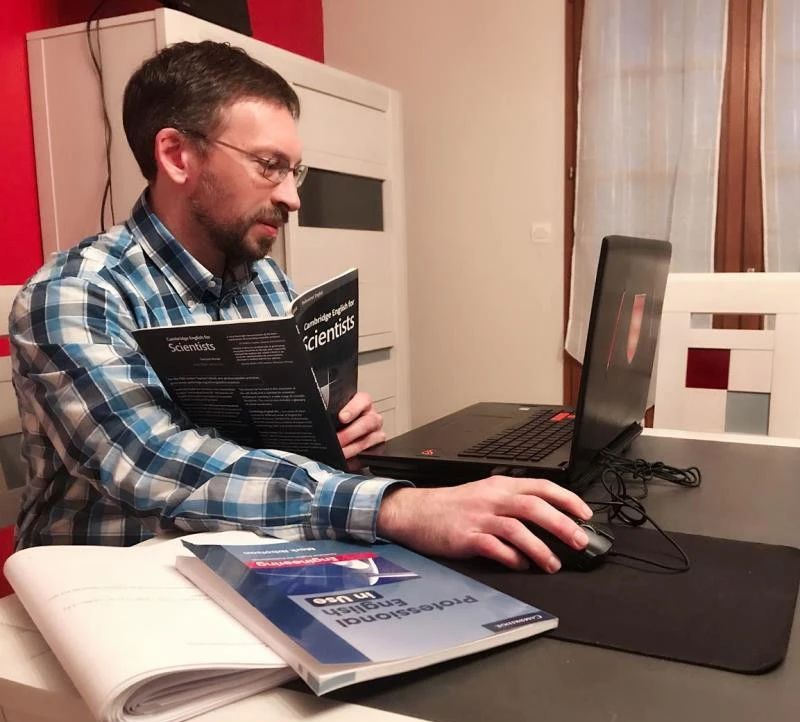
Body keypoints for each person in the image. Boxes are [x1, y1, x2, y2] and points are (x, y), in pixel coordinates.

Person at [10, 40, 592, 572]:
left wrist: (337, 435)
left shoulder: (265, 282)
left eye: (295, 171)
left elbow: (286, 448)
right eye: (269, 166)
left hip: (252, 556)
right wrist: (396, 508)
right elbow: (150, 462)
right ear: (177, 155)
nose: (291, 197)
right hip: (115, 585)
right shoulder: (76, 293)